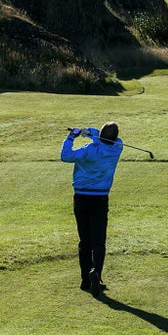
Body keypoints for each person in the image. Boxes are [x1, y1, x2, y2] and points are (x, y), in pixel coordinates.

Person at [60, 122, 123, 297]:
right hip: (101, 199)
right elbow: (102, 135)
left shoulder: (87, 151)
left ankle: (85, 280)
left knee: (85, 241)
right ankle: (96, 272)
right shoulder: (118, 147)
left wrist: (73, 136)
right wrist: (88, 132)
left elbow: (65, 156)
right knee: (98, 241)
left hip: (81, 198)